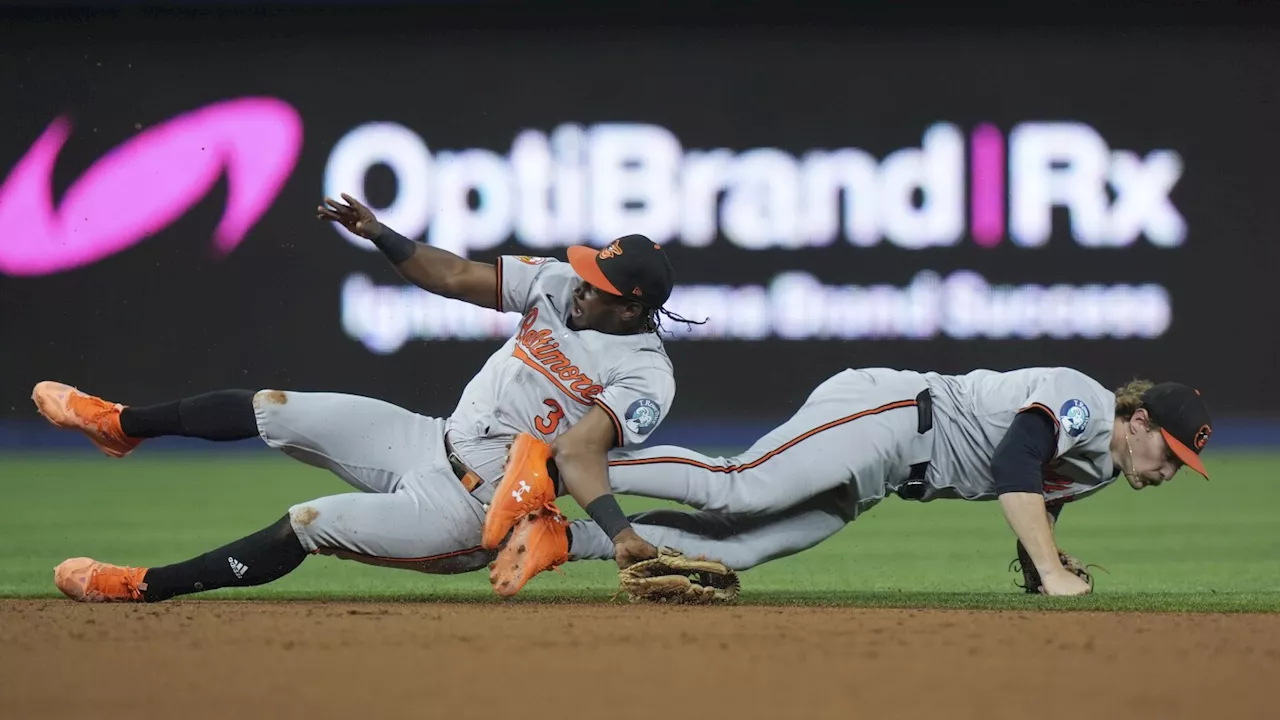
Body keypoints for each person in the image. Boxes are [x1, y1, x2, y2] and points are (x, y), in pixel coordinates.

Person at [34, 194, 692, 603]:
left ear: (632, 307)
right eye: (586, 271)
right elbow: (457, 275)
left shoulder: (645, 376)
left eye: (599, 285)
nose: (581, 285)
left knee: (307, 522)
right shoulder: (554, 283)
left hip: (469, 510)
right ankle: (120, 425)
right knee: (273, 407)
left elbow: (580, 453)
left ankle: (141, 587)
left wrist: (617, 533)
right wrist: (382, 235)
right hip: (425, 437)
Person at [487, 367, 1213, 597]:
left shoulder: (1098, 472)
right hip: (892, 416)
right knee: (743, 485)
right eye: (1170, 452)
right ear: (1139, 419)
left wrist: (1039, 566)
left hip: (892, 471)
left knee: (743, 547)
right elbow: (1013, 467)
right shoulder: (1081, 400)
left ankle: (562, 537)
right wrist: (1052, 572)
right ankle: (555, 460)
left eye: (1182, 464)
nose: (1169, 469)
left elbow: (1036, 507)